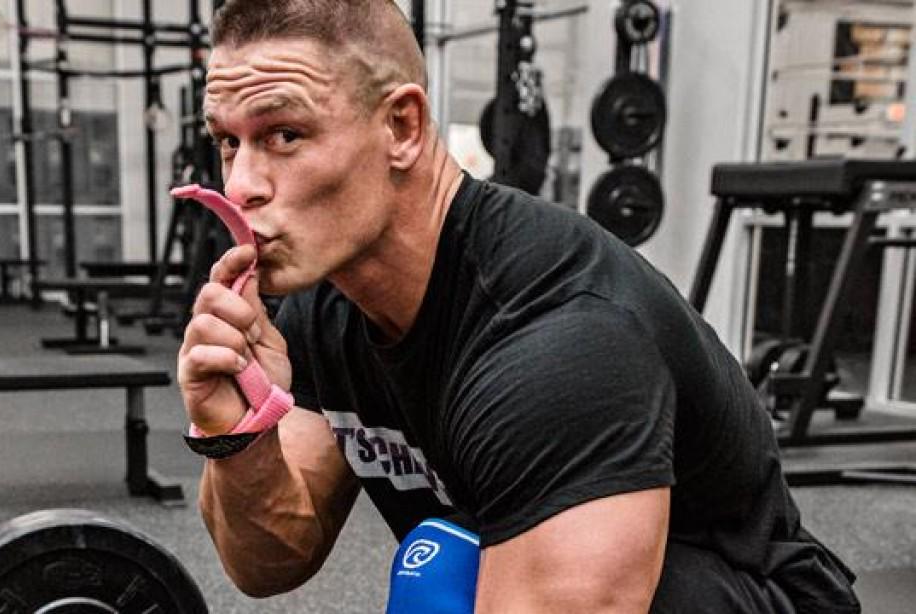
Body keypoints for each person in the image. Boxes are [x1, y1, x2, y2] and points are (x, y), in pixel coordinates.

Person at [178, 1, 861, 611]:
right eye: (229, 142)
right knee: (446, 569)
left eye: (284, 135)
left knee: (441, 579)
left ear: (402, 127)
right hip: (536, 573)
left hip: (742, 596)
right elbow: (272, 563)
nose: (239, 186)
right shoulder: (327, 303)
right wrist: (240, 431)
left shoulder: (560, 340)